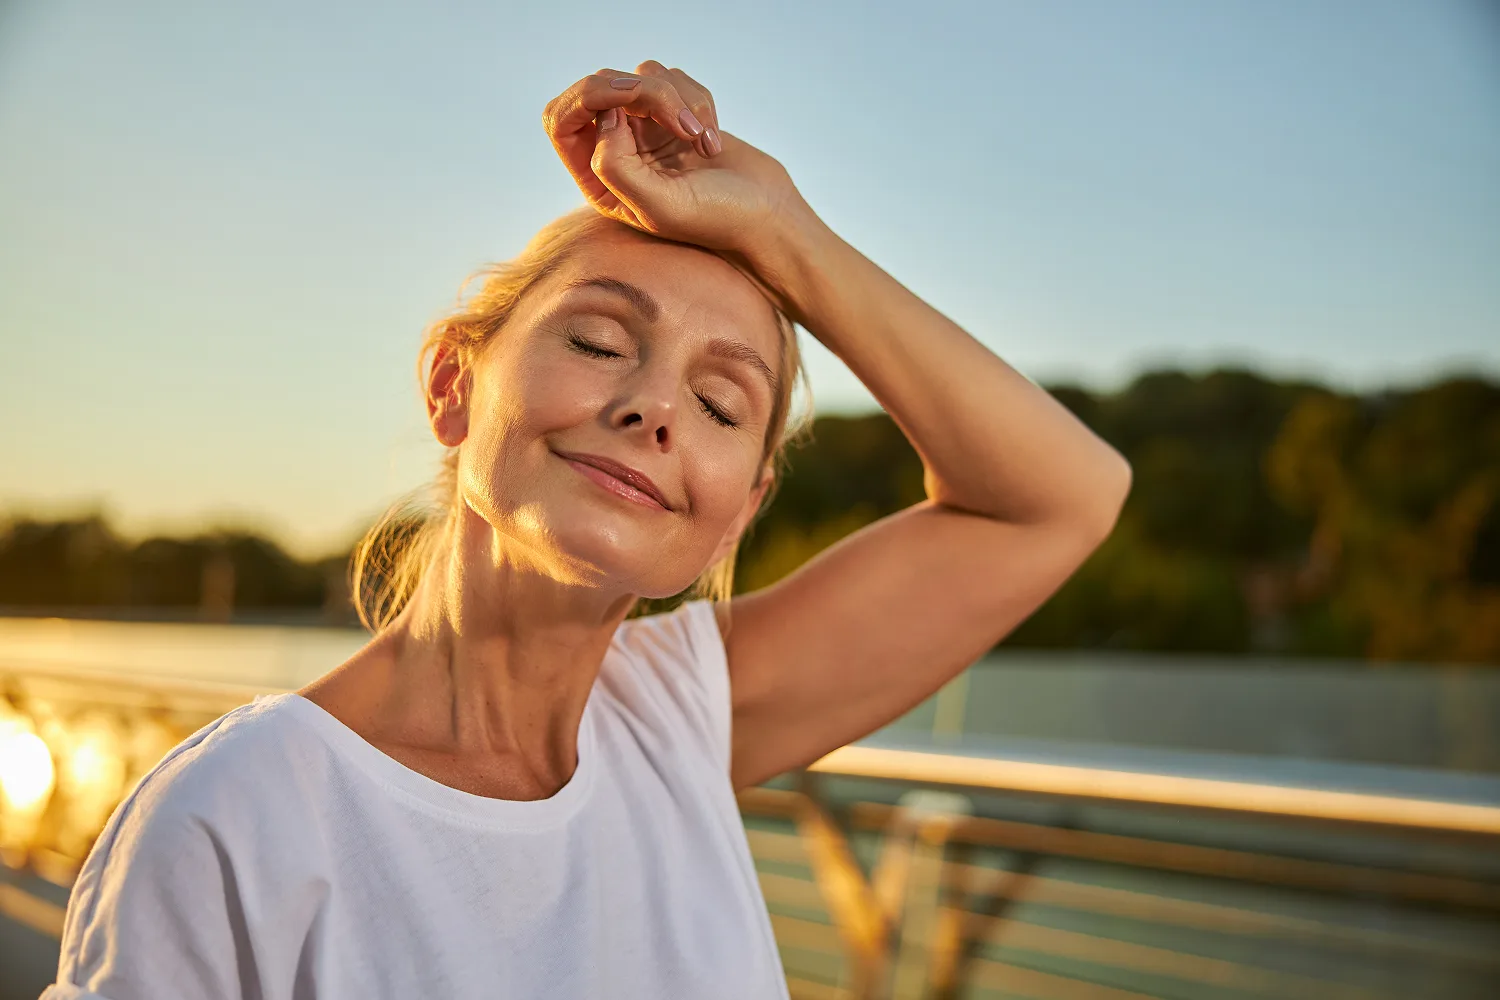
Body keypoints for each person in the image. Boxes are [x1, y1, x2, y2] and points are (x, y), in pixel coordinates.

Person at [43, 62, 1131, 999]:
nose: (657, 407)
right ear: (453, 385)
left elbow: (1064, 497)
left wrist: (787, 232)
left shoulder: (679, 721)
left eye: (720, 406)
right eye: (602, 340)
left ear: (735, 516)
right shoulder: (232, 820)